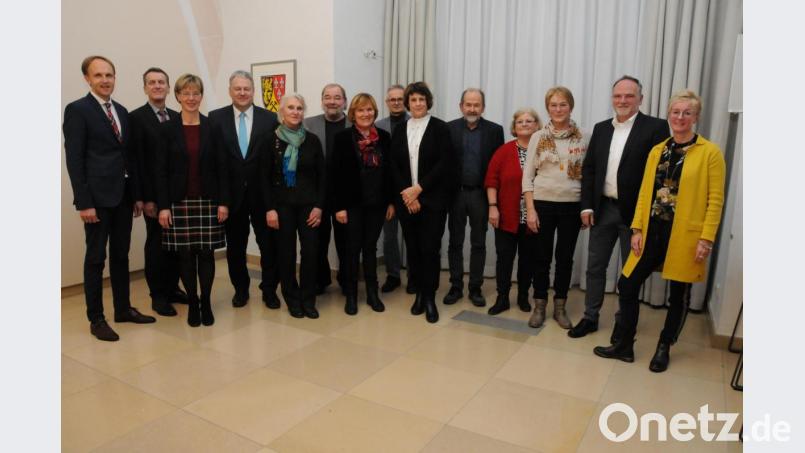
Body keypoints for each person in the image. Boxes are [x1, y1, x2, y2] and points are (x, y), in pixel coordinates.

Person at [594, 90, 725, 373]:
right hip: (652, 230)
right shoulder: (658, 150)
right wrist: (637, 228)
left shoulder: (710, 153)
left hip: (686, 235)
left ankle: (664, 346)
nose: (680, 118)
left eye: (686, 113)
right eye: (675, 112)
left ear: (695, 117)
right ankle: (625, 343)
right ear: (669, 115)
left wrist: (707, 237)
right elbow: (645, 192)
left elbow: (715, 200)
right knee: (627, 285)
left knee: (678, 294)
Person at [568, 76, 669, 340]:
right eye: (617, 96)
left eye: (629, 96)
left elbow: (661, 176)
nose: (622, 101)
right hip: (603, 210)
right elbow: (589, 169)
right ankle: (590, 317)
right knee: (594, 267)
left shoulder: (656, 128)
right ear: (612, 99)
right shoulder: (601, 129)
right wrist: (586, 206)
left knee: (630, 272)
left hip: (635, 215)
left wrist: (648, 218)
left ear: (640, 99)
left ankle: (623, 325)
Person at [64, 55, 155, 342]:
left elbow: (129, 157)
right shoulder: (77, 110)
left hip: (124, 198)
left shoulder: (121, 110)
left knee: (120, 255)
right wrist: (84, 201)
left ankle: (123, 309)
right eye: (99, 75)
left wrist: (137, 196)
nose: (105, 80)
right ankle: (97, 318)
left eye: (109, 75)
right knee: (95, 259)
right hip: (97, 200)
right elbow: (75, 159)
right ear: (87, 79)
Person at [157, 74, 229, 327]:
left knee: (206, 255)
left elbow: (223, 167)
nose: (191, 98)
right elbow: (161, 171)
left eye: (195, 93)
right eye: (185, 93)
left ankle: (206, 301)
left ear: (201, 96)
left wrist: (223, 202)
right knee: (185, 256)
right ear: (177, 96)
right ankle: (193, 302)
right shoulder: (166, 129)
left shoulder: (213, 126)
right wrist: (163, 206)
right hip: (179, 202)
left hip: (208, 200)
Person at [209, 70, 280, 309]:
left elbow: (274, 161)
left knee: (268, 246)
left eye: (246, 89)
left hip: (263, 196)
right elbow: (215, 162)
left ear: (253, 91)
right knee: (236, 247)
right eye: (237, 88)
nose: (242, 93)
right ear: (230, 91)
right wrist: (221, 199)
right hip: (231, 197)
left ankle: (269, 289)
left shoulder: (269, 119)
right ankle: (241, 289)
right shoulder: (215, 118)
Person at [389, 81, 457, 324]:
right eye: (413, 100)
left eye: (421, 99)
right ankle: (418, 293)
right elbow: (394, 166)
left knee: (430, 250)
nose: (417, 103)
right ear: (407, 103)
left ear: (428, 102)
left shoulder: (440, 128)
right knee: (414, 249)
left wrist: (419, 189)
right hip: (407, 201)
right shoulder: (399, 129)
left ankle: (429, 298)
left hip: (432, 200)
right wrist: (407, 195)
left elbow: (445, 164)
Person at [522, 86, 588, 329]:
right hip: (542, 204)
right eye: (553, 105)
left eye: (563, 105)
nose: (558, 109)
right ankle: (539, 306)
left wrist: (586, 208)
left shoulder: (583, 137)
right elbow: (527, 176)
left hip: (572, 205)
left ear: (571, 107)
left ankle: (560, 307)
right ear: (547, 108)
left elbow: (589, 177)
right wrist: (530, 210)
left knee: (565, 259)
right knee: (541, 258)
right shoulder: (538, 137)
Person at [129, 67, 188, 317]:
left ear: (168, 87)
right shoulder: (135, 118)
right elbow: (135, 161)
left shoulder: (178, 117)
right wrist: (143, 198)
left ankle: (173, 287)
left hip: (177, 195)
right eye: (151, 82)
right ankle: (158, 295)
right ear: (145, 87)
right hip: (154, 196)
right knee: (157, 245)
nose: (157, 86)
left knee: (176, 245)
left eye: (161, 82)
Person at [262, 94, 326, 319]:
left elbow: (322, 177)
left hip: (309, 207)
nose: (295, 111)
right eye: (291, 107)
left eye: (299, 108)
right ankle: (292, 297)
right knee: (286, 254)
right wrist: (269, 208)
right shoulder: (270, 140)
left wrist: (319, 206)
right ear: (282, 111)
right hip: (282, 207)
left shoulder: (312, 140)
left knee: (310, 253)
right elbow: (264, 178)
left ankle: (308, 299)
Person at [331, 93, 394, 315]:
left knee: (370, 248)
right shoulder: (342, 138)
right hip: (351, 205)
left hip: (377, 203)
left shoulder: (385, 138)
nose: (365, 114)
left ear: (375, 112)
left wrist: (391, 202)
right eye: (361, 110)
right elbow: (335, 175)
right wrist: (338, 207)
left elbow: (391, 173)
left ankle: (372, 293)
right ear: (353, 114)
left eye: (369, 110)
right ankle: (351, 295)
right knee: (351, 250)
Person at [445, 89, 505, 307]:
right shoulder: (448, 128)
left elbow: (498, 168)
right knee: (455, 242)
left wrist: (494, 201)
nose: (472, 109)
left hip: (481, 194)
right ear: (461, 106)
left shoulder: (495, 131)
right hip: (456, 195)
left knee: (479, 243)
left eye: (476, 105)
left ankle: (475, 288)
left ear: (483, 107)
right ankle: (455, 286)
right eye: (468, 104)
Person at [485, 109, 542, 315]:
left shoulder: (544, 150)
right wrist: (492, 207)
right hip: (506, 215)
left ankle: (523, 296)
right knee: (505, 258)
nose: (525, 124)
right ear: (514, 127)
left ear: (537, 125)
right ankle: (502, 298)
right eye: (520, 121)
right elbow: (492, 181)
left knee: (528, 259)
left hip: (533, 216)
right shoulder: (503, 151)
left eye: (529, 121)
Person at [304, 83, 351, 295]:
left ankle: (345, 279)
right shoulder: (307, 124)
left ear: (345, 101)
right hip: (316, 194)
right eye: (328, 97)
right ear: (322, 100)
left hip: (345, 194)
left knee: (346, 240)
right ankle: (320, 279)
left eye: (337, 97)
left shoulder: (355, 124)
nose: (332, 101)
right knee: (318, 241)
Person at [376, 84, 413, 294]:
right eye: (392, 99)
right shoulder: (378, 126)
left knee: (412, 237)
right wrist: (389, 198)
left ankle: (414, 276)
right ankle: (393, 275)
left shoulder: (415, 122)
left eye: (400, 99)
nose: (396, 102)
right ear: (387, 102)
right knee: (389, 237)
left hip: (412, 191)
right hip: (387, 192)